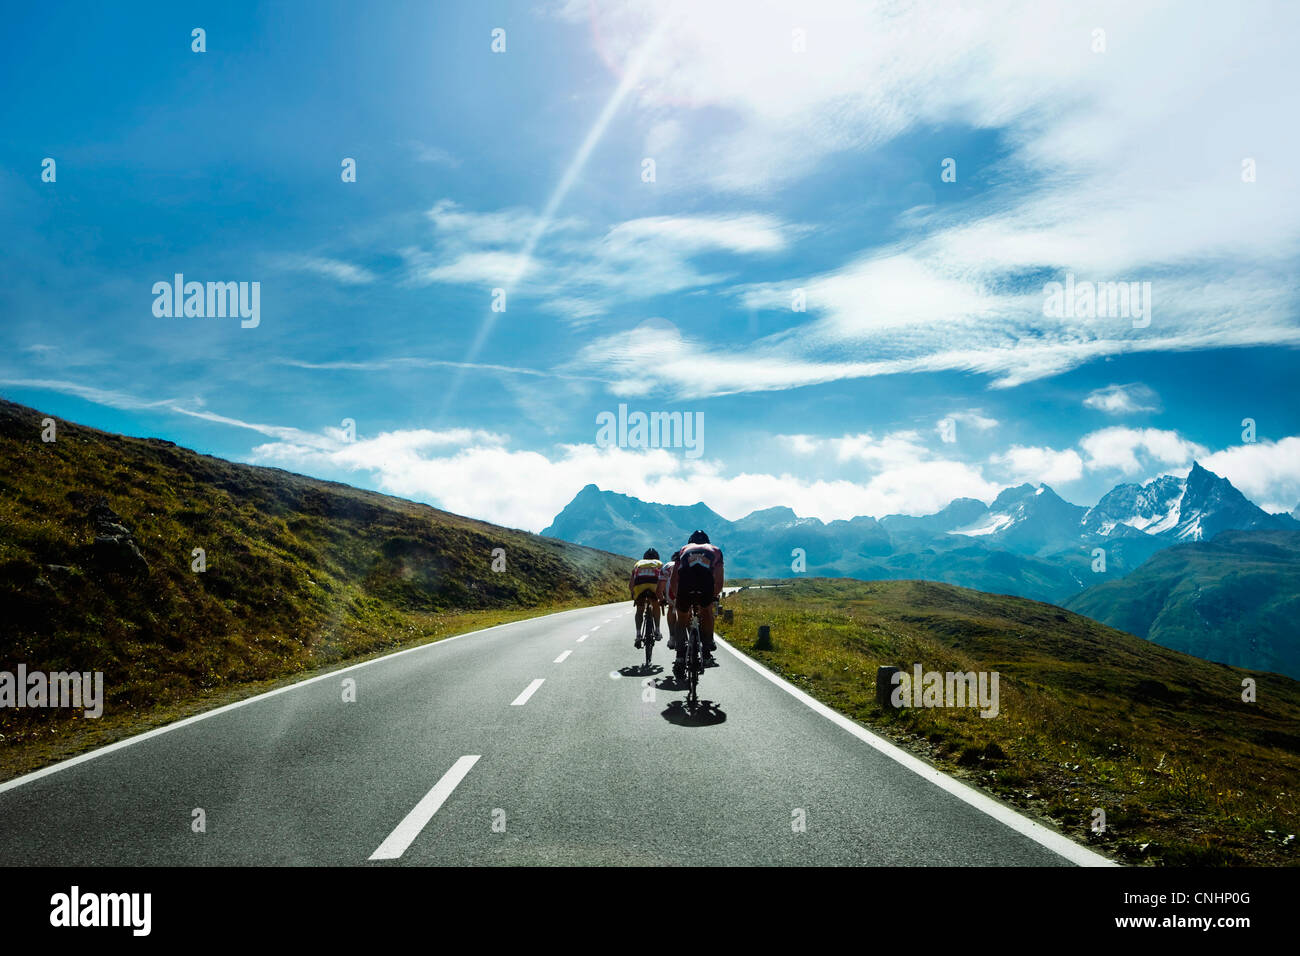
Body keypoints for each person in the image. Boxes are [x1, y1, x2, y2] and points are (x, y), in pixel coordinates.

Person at [668, 530, 724, 678]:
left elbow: (674, 577)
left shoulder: (684, 549)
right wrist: (713, 596)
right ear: (708, 541)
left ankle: (680, 657)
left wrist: (676, 597)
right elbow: (719, 579)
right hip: (705, 584)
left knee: (682, 620)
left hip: (685, 585)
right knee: (707, 612)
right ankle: (706, 651)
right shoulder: (715, 550)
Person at [629, 548, 663, 648]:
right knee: (656, 605)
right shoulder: (659, 563)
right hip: (654, 584)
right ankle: (657, 630)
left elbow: (631, 582)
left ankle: (638, 635)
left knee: (639, 609)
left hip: (640, 585)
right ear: (657, 557)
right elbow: (663, 580)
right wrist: (662, 595)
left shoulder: (638, 563)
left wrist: (633, 593)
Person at [657, 549, 682, 651]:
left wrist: (662, 599)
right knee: (686, 612)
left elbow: (659, 589)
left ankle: (672, 638)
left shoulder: (667, 566)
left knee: (671, 607)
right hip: (687, 591)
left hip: (671, 592)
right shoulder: (689, 563)